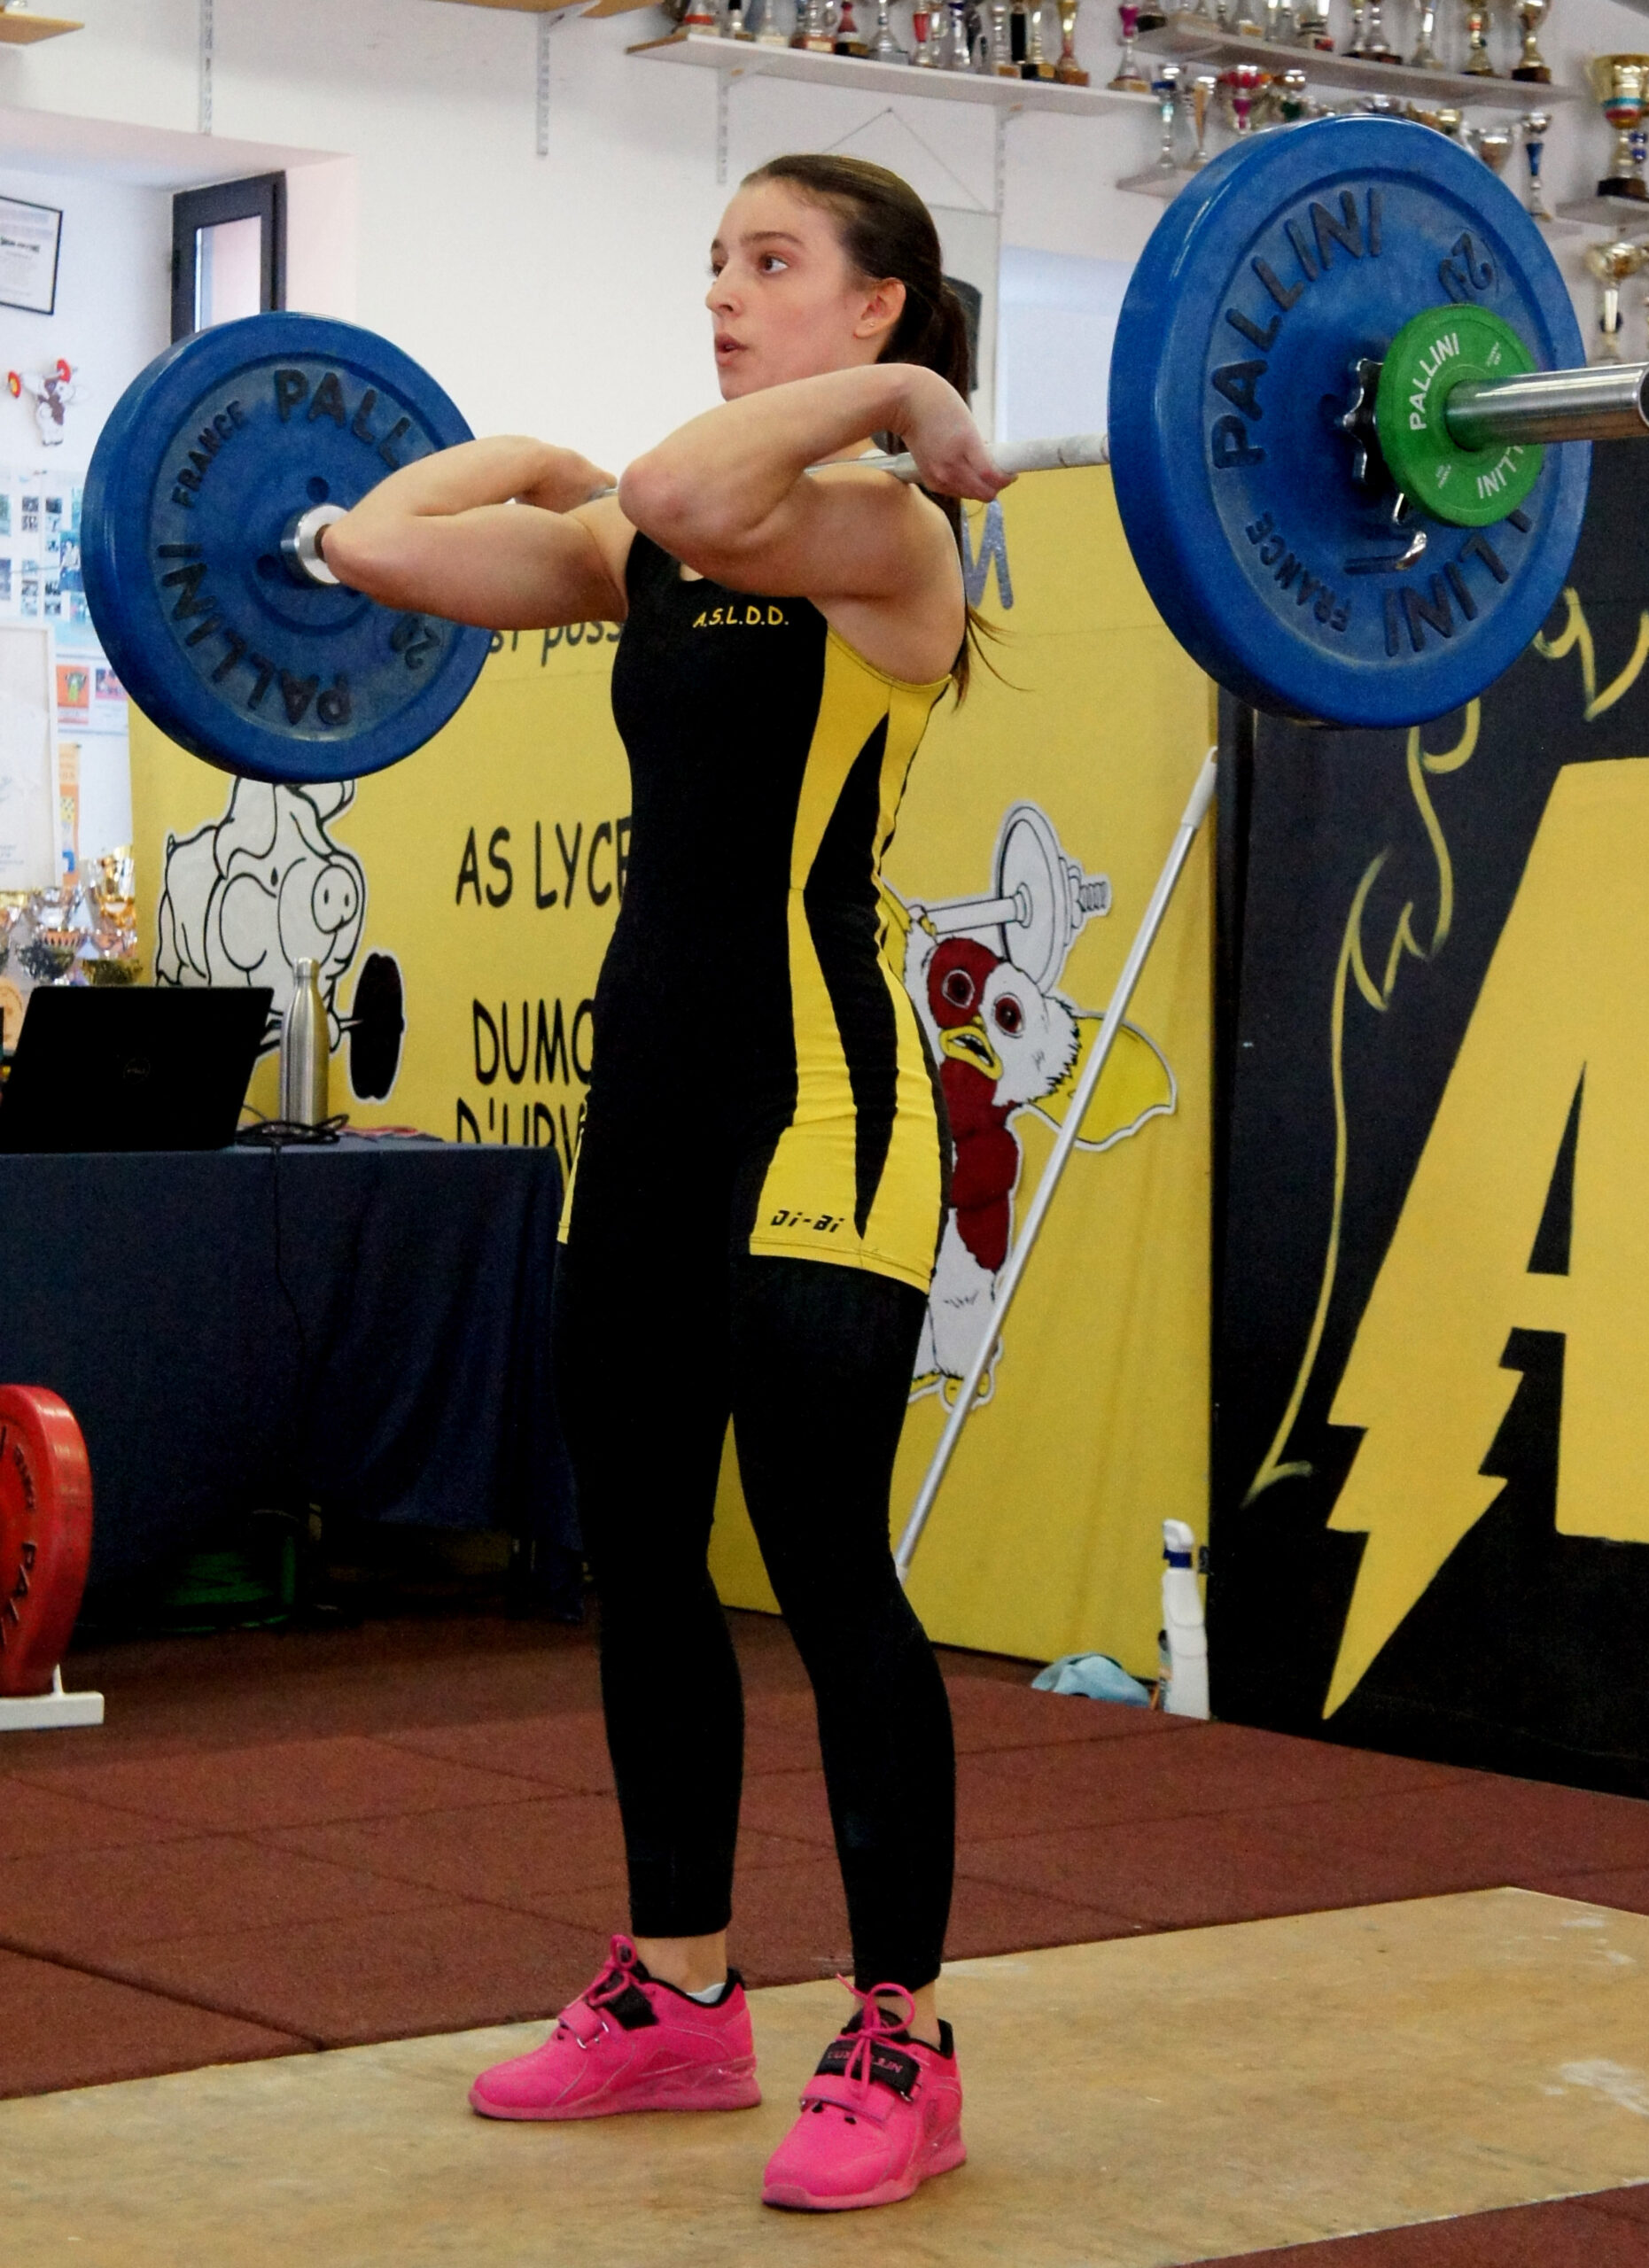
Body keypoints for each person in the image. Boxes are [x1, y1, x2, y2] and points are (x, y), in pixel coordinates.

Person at [324, 151, 1009, 2214]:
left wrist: (899, 413)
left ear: (873, 304)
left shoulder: (889, 538)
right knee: (636, 1538)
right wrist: (539, 462)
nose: (722, 291)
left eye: (770, 262)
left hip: (820, 1106)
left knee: (818, 1551)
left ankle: (902, 2030)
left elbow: (707, 493)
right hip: (645, 1107)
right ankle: (681, 1991)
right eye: (712, 260)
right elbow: (374, 543)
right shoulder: (649, 529)